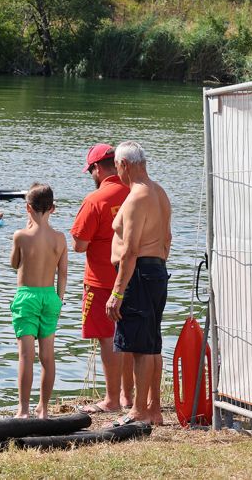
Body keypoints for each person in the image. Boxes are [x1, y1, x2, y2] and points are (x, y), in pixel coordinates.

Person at [106, 141, 171, 427]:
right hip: (156, 270)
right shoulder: (159, 192)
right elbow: (167, 240)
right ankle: (154, 409)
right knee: (152, 342)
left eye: (117, 167)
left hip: (139, 273)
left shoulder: (136, 197)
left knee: (140, 346)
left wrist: (117, 292)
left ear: (124, 165)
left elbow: (130, 251)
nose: (117, 172)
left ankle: (139, 410)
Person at [71, 143, 133, 414]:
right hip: (133, 278)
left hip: (101, 281)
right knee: (129, 337)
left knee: (108, 338)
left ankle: (111, 399)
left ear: (97, 168)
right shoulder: (135, 192)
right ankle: (128, 396)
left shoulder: (95, 199)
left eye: (90, 171)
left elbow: (79, 244)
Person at [10, 183, 67, 419]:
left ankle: (23, 410)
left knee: (26, 356)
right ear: (53, 208)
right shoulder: (60, 238)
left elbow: (14, 264)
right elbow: (63, 274)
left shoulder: (21, 236)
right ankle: (44, 408)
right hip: (51, 297)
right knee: (47, 356)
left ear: (28, 208)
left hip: (27, 297)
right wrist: (59, 300)